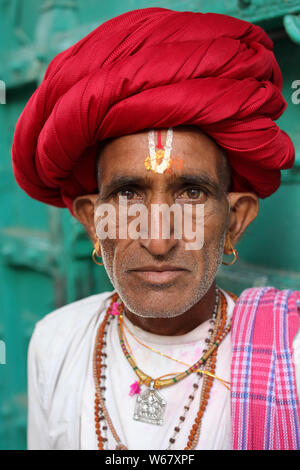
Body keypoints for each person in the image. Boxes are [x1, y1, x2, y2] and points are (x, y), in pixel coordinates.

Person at [11, 7, 300, 450]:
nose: (159, 239)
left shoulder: (290, 358)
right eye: (128, 195)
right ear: (92, 220)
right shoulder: (57, 340)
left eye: (192, 194)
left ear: (235, 221)